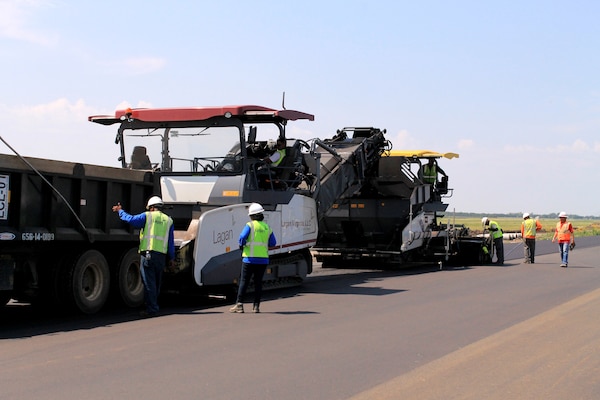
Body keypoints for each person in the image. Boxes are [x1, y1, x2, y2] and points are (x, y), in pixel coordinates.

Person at [112, 196, 175, 317]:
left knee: (148, 282)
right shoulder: (169, 221)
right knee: (156, 282)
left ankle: (152, 309)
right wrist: (171, 258)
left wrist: (120, 211)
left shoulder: (148, 216)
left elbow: (131, 220)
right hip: (161, 257)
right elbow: (170, 242)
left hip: (148, 255)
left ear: (151, 208)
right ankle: (154, 305)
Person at [230, 203, 277, 314]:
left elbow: (242, 237)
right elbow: (273, 243)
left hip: (249, 259)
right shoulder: (267, 227)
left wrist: (242, 245)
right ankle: (256, 306)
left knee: (244, 282)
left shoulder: (250, 225)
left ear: (252, 216)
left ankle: (239, 305)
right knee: (258, 283)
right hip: (263, 260)